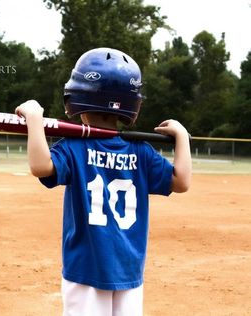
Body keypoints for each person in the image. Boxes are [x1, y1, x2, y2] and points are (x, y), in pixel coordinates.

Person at [15, 47, 192, 316]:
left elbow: (40, 166)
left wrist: (35, 119)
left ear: (78, 97)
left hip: (86, 270)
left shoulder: (75, 147)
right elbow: (181, 181)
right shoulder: (141, 150)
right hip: (128, 270)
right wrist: (182, 137)